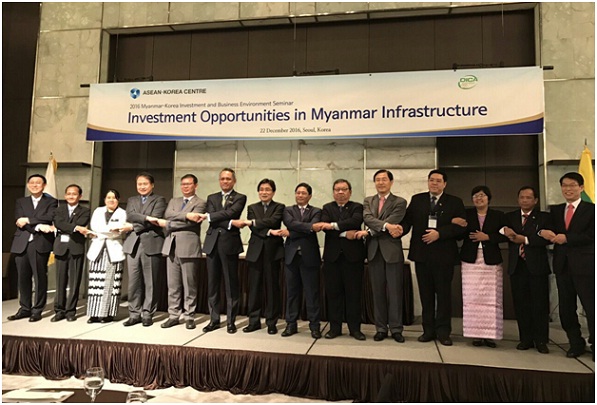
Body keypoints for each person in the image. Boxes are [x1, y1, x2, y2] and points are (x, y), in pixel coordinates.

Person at [402, 169, 466, 346]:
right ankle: (428, 330)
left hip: (444, 256)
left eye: (438, 181)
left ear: (445, 184)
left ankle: (444, 332)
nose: (434, 183)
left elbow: (462, 228)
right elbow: (407, 221)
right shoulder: (417, 199)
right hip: (422, 255)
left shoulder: (455, 202)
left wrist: (440, 233)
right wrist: (399, 229)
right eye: (431, 180)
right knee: (426, 295)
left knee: (444, 296)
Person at [540, 172, 595, 359]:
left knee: (591, 307)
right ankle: (575, 343)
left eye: (572, 185)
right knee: (566, 309)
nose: (568, 189)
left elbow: (592, 235)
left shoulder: (592, 209)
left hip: (585, 266)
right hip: (562, 266)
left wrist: (568, 238)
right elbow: (547, 229)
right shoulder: (556, 210)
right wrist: (544, 233)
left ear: (581, 188)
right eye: (564, 185)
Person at [356, 170, 407, 343]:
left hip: (392, 252)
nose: (381, 182)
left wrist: (371, 231)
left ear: (391, 182)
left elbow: (395, 219)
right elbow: (367, 218)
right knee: (377, 292)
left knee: (395, 292)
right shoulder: (368, 201)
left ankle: (396, 329)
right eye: (377, 180)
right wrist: (386, 226)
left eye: (384, 179)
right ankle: (381, 328)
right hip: (373, 251)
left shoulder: (400, 202)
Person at [313, 179, 367, 341]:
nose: (341, 192)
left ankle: (355, 329)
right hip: (332, 259)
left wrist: (333, 226)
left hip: (353, 258)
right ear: (333, 192)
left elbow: (355, 221)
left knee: (354, 294)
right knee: (333, 294)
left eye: (344, 189)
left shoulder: (357, 207)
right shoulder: (327, 208)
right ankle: (334, 328)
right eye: (337, 189)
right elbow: (324, 227)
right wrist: (344, 232)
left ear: (350, 192)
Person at [502, 186, 552, 354]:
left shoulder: (544, 217)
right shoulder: (510, 217)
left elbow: (547, 239)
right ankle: (525, 339)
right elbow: (499, 229)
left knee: (539, 304)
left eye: (528, 197)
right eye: (522, 197)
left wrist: (525, 240)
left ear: (535, 200)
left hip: (537, 267)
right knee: (521, 304)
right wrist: (504, 230)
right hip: (517, 267)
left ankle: (541, 340)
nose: (524, 200)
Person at [457, 186, 508, 348]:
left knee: (492, 298)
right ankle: (475, 334)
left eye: (482, 195)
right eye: (475, 196)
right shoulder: (467, 214)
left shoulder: (498, 215)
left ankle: (490, 335)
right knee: (472, 298)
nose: (479, 198)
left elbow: (505, 235)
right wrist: (458, 224)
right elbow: (459, 235)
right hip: (470, 260)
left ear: (488, 198)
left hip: (491, 261)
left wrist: (487, 237)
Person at [200, 168, 247, 334]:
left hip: (230, 244)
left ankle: (231, 321)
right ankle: (214, 320)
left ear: (234, 181)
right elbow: (216, 218)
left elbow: (232, 212)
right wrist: (230, 222)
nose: (225, 181)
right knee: (212, 284)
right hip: (212, 243)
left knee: (231, 284)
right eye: (222, 179)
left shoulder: (240, 197)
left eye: (228, 179)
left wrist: (211, 217)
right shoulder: (212, 197)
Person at [158, 174, 206, 330]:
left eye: (189, 184)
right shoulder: (174, 201)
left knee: (189, 284)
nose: (185, 186)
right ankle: (173, 315)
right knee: (173, 284)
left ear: (195, 185)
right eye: (183, 184)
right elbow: (168, 215)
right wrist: (186, 215)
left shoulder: (201, 203)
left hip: (189, 246)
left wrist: (170, 224)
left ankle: (189, 315)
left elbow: (192, 224)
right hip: (171, 246)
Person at [7, 174, 58, 322]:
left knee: (39, 277)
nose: (34, 185)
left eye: (38, 183)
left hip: (40, 243)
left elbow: (49, 217)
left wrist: (28, 220)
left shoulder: (51, 201)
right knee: (23, 278)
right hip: (21, 243)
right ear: (28, 185)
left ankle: (37, 309)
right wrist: (37, 226)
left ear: (44, 185)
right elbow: (19, 221)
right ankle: (25, 308)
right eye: (32, 183)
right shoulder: (21, 201)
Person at [239, 179, 285, 335]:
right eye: (262, 189)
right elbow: (254, 229)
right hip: (255, 252)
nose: (264, 192)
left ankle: (272, 322)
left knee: (272, 288)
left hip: (273, 252)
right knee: (254, 288)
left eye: (267, 189)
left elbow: (274, 220)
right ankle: (254, 321)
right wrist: (268, 231)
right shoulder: (252, 207)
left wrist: (253, 222)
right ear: (258, 192)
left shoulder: (279, 207)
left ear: (273, 192)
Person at [122, 172, 167, 327]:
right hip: (133, 244)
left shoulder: (159, 200)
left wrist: (133, 226)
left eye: (145, 184)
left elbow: (156, 219)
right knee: (134, 282)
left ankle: (148, 313)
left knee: (151, 281)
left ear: (152, 185)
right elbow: (130, 215)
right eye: (139, 184)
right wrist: (146, 218)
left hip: (151, 243)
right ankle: (134, 313)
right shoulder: (131, 200)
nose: (142, 186)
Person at [281, 183, 322, 339]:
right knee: (292, 292)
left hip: (309, 256)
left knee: (312, 293)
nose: (300, 195)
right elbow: (291, 223)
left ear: (309, 196)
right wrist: (309, 227)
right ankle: (291, 324)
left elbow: (313, 227)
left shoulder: (316, 211)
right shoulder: (288, 210)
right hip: (291, 256)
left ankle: (314, 326)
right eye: (298, 192)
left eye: (303, 193)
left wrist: (291, 233)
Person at [86, 189, 129, 323]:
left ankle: (107, 314)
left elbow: (118, 231)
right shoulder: (98, 211)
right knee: (95, 284)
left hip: (114, 250)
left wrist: (102, 232)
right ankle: (93, 314)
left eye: (114, 198)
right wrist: (109, 230)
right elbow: (94, 226)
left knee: (112, 284)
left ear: (118, 200)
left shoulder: (122, 213)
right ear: (104, 199)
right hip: (98, 250)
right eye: (108, 197)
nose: (111, 200)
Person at [51, 184, 91, 322]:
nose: (71, 196)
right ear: (65, 195)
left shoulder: (85, 211)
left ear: (80, 196)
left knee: (75, 281)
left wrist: (71, 227)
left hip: (76, 247)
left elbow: (81, 222)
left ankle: (70, 311)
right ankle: (59, 310)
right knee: (60, 280)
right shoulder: (58, 210)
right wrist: (76, 227)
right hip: (61, 247)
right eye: (68, 193)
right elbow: (58, 223)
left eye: (74, 194)